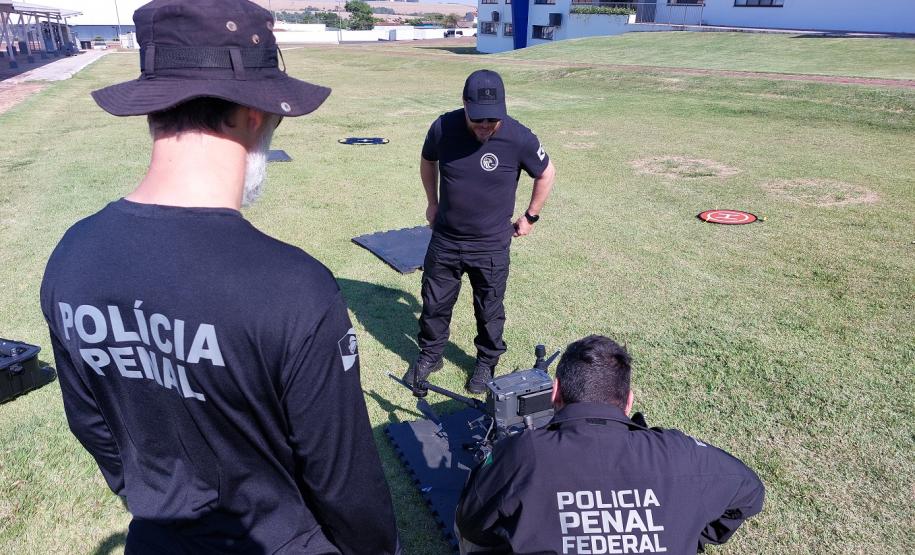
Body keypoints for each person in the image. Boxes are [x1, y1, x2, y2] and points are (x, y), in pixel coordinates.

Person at [39, 1, 400, 553]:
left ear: (153, 109)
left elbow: (94, 427)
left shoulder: (72, 254)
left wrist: (155, 504)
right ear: (253, 113)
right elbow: (345, 481)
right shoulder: (294, 287)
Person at [455, 335, 765, 554]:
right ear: (628, 401)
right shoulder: (682, 453)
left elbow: (470, 523)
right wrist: (689, 534)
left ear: (555, 392)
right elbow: (750, 492)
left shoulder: (524, 452)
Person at [404, 69, 557, 394]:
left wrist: (531, 216)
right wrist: (432, 202)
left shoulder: (518, 137)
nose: (485, 125)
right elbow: (428, 160)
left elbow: (546, 172)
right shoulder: (443, 127)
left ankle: (486, 361)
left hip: (490, 245)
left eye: (492, 119)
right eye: (478, 119)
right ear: (465, 104)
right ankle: (431, 355)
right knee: (434, 303)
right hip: (446, 239)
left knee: (489, 310)